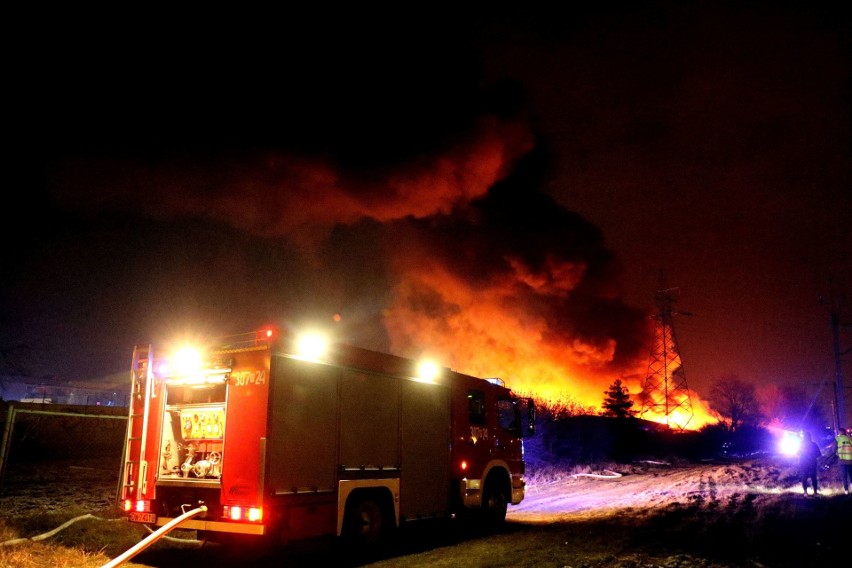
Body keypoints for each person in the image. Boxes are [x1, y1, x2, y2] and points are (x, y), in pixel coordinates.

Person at [798, 430, 822, 496]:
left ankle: (805, 492)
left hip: (803, 463)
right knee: (813, 477)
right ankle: (815, 492)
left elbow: (797, 453)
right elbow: (819, 454)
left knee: (804, 477)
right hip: (812, 463)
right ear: (809, 437)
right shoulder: (813, 444)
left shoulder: (801, 444)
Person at [834, 426, 852, 495]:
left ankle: (846, 491)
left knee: (844, 476)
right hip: (850, 460)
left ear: (840, 432)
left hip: (842, 460)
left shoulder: (838, 439)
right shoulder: (850, 438)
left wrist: (836, 454)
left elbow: (834, 449)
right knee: (851, 475)